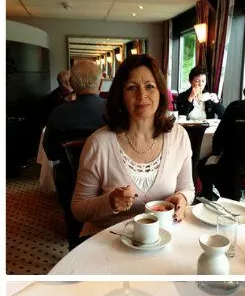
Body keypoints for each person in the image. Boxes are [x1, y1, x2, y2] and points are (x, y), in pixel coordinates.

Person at [71, 54, 195, 237]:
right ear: (120, 96)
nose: (142, 95)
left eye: (150, 86)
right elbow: (78, 208)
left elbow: (188, 188)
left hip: (162, 238)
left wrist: (182, 199)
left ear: (160, 92)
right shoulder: (99, 143)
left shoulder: (179, 136)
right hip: (108, 240)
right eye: (131, 88)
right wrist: (110, 203)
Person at [43, 60, 106, 160]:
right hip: (105, 173)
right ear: (101, 83)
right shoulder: (113, 111)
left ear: (71, 83)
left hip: (68, 174)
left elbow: (51, 154)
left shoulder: (58, 113)